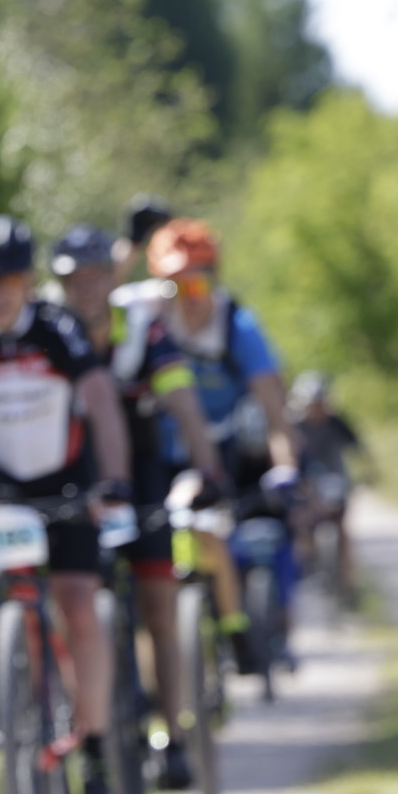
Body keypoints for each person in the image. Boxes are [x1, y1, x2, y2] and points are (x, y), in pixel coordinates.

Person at [0, 215, 134, 794]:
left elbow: (100, 402)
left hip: (67, 481)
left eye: (9, 280)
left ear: (28, 280)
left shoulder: (58, 327)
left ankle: (93, 743)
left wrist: (115, 481)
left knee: (78, 606)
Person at [48, 224, 226, 791]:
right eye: (73, 278)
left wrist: (208, 469)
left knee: (158, 605)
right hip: (75, 477)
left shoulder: (142, 326)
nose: (85, 287)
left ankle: (173, 736)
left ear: (112, 275)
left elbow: (183, 402)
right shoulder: (48, 327)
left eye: (95, 275)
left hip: (143, 474)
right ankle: (86, 738)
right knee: (71, 605)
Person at [145, 219, 301, 673]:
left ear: (215, 280)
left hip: (225, 450)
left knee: (237, 533)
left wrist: (285, 467)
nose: (188, 298)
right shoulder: (147, 321)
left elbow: (275, 412)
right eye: (175, 287)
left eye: (198, 285)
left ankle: (241, 632)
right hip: (158, 450)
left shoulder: (239, 327)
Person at [290, 371, 372, 596]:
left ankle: (349, 585)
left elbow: (358, 447)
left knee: (343, 530)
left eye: (321, 403)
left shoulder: (336, 423)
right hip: (306, 485)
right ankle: (303, 575)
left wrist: (369, 470)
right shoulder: (294, 425)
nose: (317, 409)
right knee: (301, 525)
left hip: (335, 483)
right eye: (312, 404)